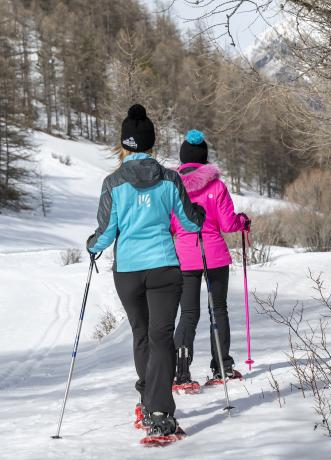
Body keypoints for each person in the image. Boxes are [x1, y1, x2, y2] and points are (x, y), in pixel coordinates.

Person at [87, 105, 205, 438]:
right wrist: (197, 214)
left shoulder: (112, 183)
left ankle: (146, 399)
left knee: (142, 334)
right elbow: (188, 223)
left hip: (128, 272)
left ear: (124, 145)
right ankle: (160, 412)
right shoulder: (170, 179)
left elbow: (106, 232)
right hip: (164, 268)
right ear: (151, 143)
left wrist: (92, 245)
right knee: (161, 337)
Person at [170, 130, 250, 386]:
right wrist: (243, 221)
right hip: (214, 255)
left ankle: (181, 370)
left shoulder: (172, 187)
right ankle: (222, 367)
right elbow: (228, 224)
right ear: (204, 158)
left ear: (183, 160)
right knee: (218, 309)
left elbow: (170, 225)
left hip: (184, 256)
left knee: (188, 313)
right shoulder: (217, 186)